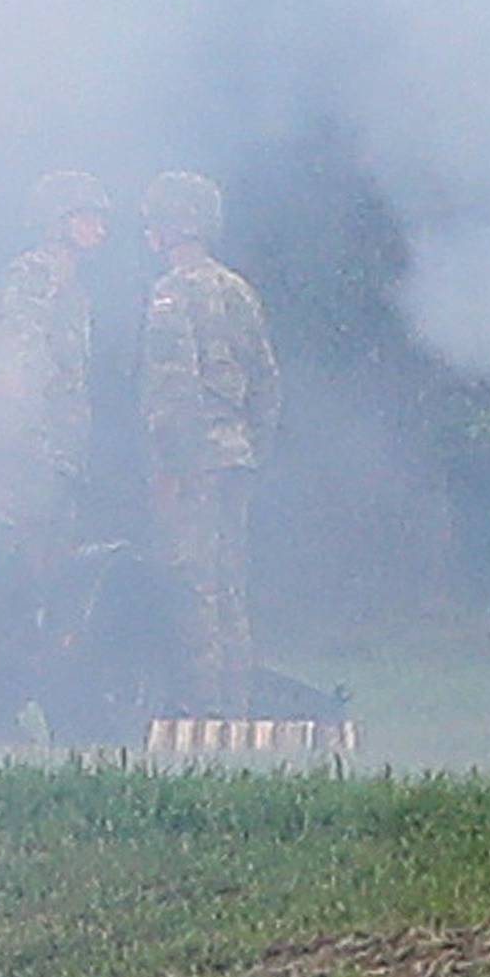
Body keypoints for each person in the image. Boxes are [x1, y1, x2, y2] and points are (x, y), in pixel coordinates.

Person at [139, 170, 280, 718]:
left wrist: (173, 466)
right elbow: (267, 380)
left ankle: (204, 715)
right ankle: (236, 709)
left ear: (170, 228)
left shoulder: (170, 294)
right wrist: (251, 448)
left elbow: (171, 388)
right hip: (236, 458)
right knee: (230, 589)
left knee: (192, 586)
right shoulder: (238, 289)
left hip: (192, 462)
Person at [0, 171, 111, 565]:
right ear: (57, 223)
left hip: (62, 451)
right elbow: (14, 365)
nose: (100, 230)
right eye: (86, 218)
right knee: (29, 558)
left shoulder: (73, 286)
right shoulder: (33, 274)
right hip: (33, 451)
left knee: (59, 558)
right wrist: (27, 447)